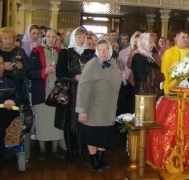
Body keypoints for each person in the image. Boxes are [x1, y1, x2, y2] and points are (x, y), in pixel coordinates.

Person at [76, 39, 121, 171]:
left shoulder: (113, 63)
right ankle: (94, 159)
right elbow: (83, 88)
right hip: (94, 106)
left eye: (105, 49)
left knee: (104, 134)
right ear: (96, 50)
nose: (103, 52)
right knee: (93, 134)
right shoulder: (92, 64)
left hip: (109, 107)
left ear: (109, 50)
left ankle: (101, 157)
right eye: (100, 50)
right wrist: (82, 110)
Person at [55, 27, 94, 163]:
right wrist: (74, 76)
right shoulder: (65, 52)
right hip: (71, 91)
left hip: (85, 91)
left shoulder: (89, 53)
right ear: (73, 38)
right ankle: (71, 152)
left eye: (83, 37)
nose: (81, 39)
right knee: (69, 122)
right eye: (78, 37)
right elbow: (60, 72)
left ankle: (80, 151)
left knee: (83, 122)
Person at [26, 28, 64, 160]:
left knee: (56, 121)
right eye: (49, 36)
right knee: (42, 121)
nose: (51, 39)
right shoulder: (36, 51)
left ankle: (55, 149)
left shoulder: (59, 52)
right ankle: (42, 150)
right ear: (44, 37)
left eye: (54, 37)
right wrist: (45, 71)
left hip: (57, 93)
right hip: (42, 92)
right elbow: (29, 72)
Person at [0, 55, 20, 177]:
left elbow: (18, 97)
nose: (0, 66)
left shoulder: (10, 80)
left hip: (8, 111)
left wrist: (13, 101)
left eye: (1, 63)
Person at [0, 27, 29, 104]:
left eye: (11, 38)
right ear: (1, 39)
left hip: (17, 83)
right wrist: (2, 65)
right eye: (5, 38)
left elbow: (28, 68)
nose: (9, 41)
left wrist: (22, 67)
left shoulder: (20, 51)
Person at [131, 33, 161, 98]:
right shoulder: (138, 56)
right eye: (151, 42)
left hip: (150, 92)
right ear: (144, 42)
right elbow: (141, 76)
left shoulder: (149, 57)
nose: (153, 44)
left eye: (154, 42)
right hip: (141, 94)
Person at [161, 30, 189, 95]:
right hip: (173, 89)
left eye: (187, 37)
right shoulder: (169, 52)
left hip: (188, 90)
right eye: (183, 37)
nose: (186, 39)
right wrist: (166, 91)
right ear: (176, 39)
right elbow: (164, 72)